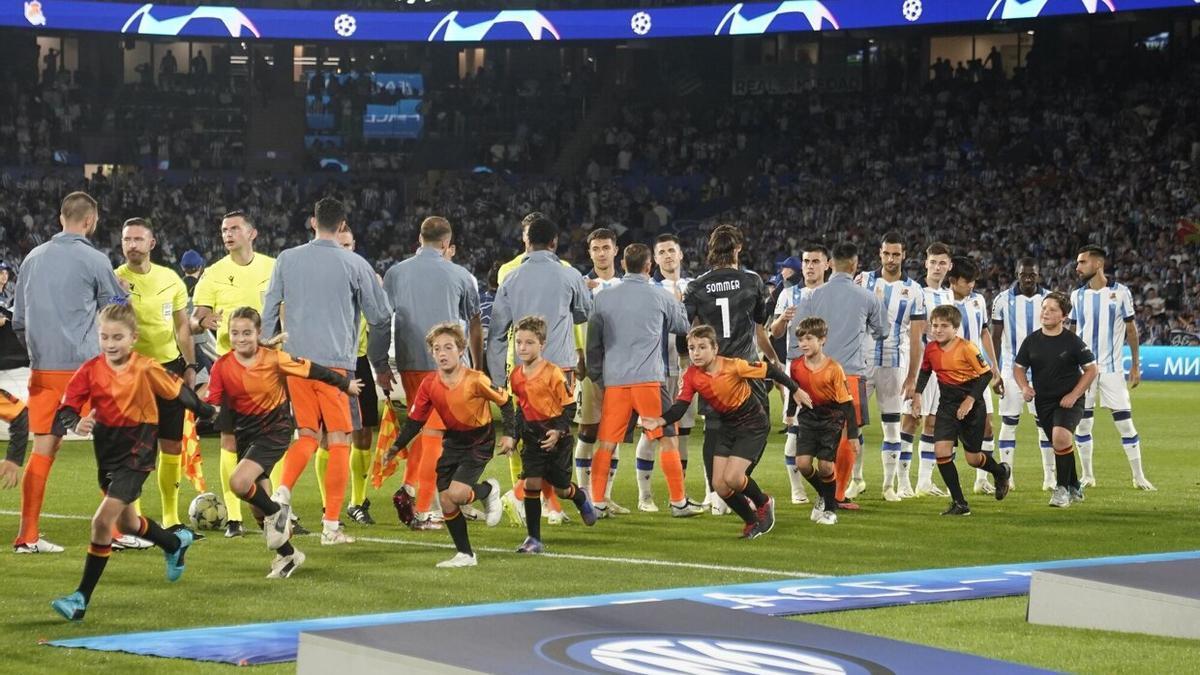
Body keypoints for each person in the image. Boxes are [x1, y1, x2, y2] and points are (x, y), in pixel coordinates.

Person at [50, 303, 215, 621]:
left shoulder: (146, 367)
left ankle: (80, 598)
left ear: (133, 337)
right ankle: (173, 543)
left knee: (101, 522)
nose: (110, 344)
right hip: (107, 455)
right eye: (104, 337)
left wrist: (209, 411)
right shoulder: (90, 369)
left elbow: (180, 393)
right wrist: (75, 422)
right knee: (126, 523)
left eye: (118, 337)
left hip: (137, 453)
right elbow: (67, 407)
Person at [262, 197, 392, 546]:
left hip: (296, 363)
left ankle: (284, 490)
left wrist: (264, 347)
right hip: (336, 365)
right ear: (343, 225)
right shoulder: (354, 263)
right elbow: (380, 316)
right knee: (339, 440)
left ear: (312, 221)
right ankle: (331, 526)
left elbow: (270, 305)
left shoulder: (287, 259)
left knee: (306, 434)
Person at [207, 307, 363, 578]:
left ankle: (278, 511)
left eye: (247, 333)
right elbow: (213, 403)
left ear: (258, 334)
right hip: (247, 436)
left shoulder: (274, 359)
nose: (241, 338)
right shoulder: (222, 366)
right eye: (235, 333)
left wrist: (344, 384)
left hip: (273, 432)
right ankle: (289, 555)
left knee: (239, 483)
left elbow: (314, 370)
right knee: (258, 509)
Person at [11, 191, 124, 554]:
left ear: (62, 218)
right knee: (111, 447)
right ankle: (118, 533)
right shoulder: (94, 259)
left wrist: (39, 351)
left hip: (43, 367)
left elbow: (19, 321)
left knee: (43, 449)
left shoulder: (31, 258)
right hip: (85, 369)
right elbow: (115, 314)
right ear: (90, 221)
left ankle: (27, 536)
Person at [372, 216, 482, 530]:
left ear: (419, 239)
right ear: (447, 244)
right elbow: (474, 322)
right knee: (435, 436)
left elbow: (381, 321)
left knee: (424, 432)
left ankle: (408, 490)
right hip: (445, 367)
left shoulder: (395, 273)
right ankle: (423, 510)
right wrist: (479, 363)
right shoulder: (460, 274)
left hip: (409, 363)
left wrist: (380, 363)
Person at [643, 325, 802, 538]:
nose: (696, 353)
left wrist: (796, 389)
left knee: (734, 478)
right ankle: (751, 521)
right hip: (728, 425)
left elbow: (770, 370)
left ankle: (764, 502)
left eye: (702, 347)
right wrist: (660, 421)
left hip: (752, 424)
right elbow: (681, 405)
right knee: (719, 485)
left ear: (715, 348)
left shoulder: (734, 366)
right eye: (691, 348)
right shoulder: (691, 375)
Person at [382, 323, 515, 568]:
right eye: (436, 348)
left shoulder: (476, 380)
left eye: (448, 347)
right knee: (446, 502)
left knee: (457, 494)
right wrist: (395, 447)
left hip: (479, 441)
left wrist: (510, 435)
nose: (442, 353)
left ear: (461, 349)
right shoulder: (429, 385)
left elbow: (506, 403)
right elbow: (415, 421)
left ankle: (488, 489)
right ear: (431, 353)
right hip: (453, 441)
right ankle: (466, 555)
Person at [488, 214, 591, 525]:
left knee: (530, 435)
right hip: (559, 368)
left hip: (523, 369)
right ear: (555, 243)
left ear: (526, 241)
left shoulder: (511, 276)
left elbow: (496, 332)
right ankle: (531, 496)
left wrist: (495, 380)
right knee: (556, 435)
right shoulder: (569, 275)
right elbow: (584, 312)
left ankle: (540, 500)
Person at [588, 243, 699, 519]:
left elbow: (593, 345)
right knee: (667, 439)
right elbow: (683, 327)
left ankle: (598, 502)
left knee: (606, 443)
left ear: (623, 265)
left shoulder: (602, 298)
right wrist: (679, 301)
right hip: (649, 379)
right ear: (649, 266)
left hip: (615, 381)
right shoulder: (661, 296)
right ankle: (678, 501)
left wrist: (600, 378)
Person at [191, 211, 276, 538]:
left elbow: (285, 309)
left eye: (234, 228)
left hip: (267, 367)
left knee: (272, 439)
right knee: (230, 440)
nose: (228, 234)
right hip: (231, 370)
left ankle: (276, 506)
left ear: (251, 233)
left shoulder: (272, 267)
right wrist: (203, 322)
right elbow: (198, 316)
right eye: (224, 229)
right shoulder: (213, 273)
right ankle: (235, 517)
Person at [685, 225, 779, 514]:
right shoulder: (752, 281)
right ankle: (739, 483)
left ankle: (716, 495)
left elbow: (689, 331)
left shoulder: (696, 286)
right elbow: (759, 329)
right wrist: (773, 360)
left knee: (714, 432)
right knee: (755, 429)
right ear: (738, 248)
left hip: (713, 370)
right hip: (745, 369)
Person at [115, 218, 197, 533]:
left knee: (172, 445)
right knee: (133, 448)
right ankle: (132, 521)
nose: (132, 244)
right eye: (127, 239)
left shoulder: (170, 279)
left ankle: (171, 519)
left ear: (152, 243)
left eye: (138, 239)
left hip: (169, 369)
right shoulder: (114, 279)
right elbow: (108, 326)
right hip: (131, 371)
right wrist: (118, 297)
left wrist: (190, 365)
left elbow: (181, 326)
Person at [794, 242, 884, 509]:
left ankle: (824, 490)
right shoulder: (868, 297)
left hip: (815, 374)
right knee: (845, 435)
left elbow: (795, 335)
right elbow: (882, 331)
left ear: (830, 263)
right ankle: (838, 494)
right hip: (850, 375)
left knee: (814, 430)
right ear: (855, 265)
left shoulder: (811, 296)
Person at [508, 315, 598, 553]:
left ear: (542, 345)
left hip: (558, 440)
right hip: (532, 438)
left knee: (560, 488)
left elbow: (568, 407)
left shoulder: (553, 373)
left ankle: (578, 496)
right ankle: (533, 539)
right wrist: (513, 437)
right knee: (532, 483)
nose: (523, 348)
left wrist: (558, 432)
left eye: (529, 342)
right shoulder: (515, 376)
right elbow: (520, 410)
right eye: (519, 342)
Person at [912, 305, 1012, 516]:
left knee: (973, 459)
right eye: (935, 325)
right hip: (947, 407)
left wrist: (969, 401)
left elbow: (985, 375)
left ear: (956, 328)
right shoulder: (930, 349)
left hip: (973, 408)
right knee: (941, 452)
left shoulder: (968, 348)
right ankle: (960, 503)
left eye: (944, 326)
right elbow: (925, 372)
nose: (938, 330)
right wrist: (918, 395)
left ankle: (1000, 471)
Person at [1069, 246, 1154, 490]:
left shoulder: (1121, 292)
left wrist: (1135, 365)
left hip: (1113, 369)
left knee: (1125, 423)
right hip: (1085, 371)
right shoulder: (1077, 295)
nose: (1078, 267)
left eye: (1082, 262)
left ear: (1097, 264)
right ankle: (1088, 476)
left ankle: (1138, 476)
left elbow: (1131, 330)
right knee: (1083, 424)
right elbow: (1073, 333)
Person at [1012, 292, 1099, 508]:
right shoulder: (1031, 340)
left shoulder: (1072, 341)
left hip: (1070, 400)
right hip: (1043, 401)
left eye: (1052, 310)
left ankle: (1061, 490)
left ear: (1064, 316)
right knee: (1060, 443)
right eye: (1044, 308)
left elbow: (1091, 369)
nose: (1046, 313)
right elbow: (1018, 368)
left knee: (1060, 437)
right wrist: (1025, 386)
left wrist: (1074, 394)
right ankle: (1074, 484)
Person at [857, 232, 925, 503]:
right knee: (854, 426)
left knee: (892, 427)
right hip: (861, 364)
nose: (891, 259)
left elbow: (917, 337)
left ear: (904, 255)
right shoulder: (863, 280)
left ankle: (888, 485)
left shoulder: (914, 290)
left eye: (896, 254)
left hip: (894, 365)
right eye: (887, 253)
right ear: (880, 253)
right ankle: (856, 480)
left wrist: (912, 379)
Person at [634, 234, 694, 512]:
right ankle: (645, 496)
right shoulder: (649, 289)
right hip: (656, 371)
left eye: (672, 250)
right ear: (654, 260)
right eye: (662, 252)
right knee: (652, 431)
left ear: (681, 255)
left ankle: (680, 491)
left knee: (682, 434)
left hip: (686, 371)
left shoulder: (693, 287)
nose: (668, 256)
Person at [574, 228, 629, 514]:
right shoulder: (582, 285)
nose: (601, 253)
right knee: (588, 429)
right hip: (589, 369)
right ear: (590, 252)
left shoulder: (625, 286)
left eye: (606, 247)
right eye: (596, 248)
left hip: (620, 370)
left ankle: (604, 496)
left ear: (616, 250)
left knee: (613, 432)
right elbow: (573, 322)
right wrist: (578, 354)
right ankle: (585, 497)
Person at [770, 243, 830, 504]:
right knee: (794, 429)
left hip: (826, 371)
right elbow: (774, 332)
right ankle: (797, 489)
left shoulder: (833, 294)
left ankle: (833, 487)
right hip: (796, 371)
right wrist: (782, 319)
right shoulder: (788, 293)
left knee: (830, 432)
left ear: (827, 265)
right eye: (806, 261)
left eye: (815, 261)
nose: (810, 266)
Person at [786, 317, 861, 526]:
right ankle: (824, 494)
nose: (804, 344)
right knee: (802, 464)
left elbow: (847, 404)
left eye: (809, 339)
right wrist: (791, 413)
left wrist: (853, 435)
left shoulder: (834, 368)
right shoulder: (796, 366)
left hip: (831, 419)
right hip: (808, 418)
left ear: (822, 340)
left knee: (826, 466)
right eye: (800, 339)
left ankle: (829, 510)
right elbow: (795, 390)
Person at [991, 258, 1056, 490]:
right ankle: (1007, 476)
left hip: (1043, 372)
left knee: (1045, 424)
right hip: (1011, 370)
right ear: (1017, 274)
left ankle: (1049, 477)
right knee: (1009, 423)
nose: (1028, 278)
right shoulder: (1002, 300)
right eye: (1023, 274)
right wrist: (995, 371)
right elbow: (995, 338)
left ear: (1039, 275)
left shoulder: (1050, 299)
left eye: (1032, 274)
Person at [335, 228, 383, 525]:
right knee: (331, 436)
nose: (344, 249)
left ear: (354, 246)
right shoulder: (324, 281)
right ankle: (332, 505)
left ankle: (356, 501)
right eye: (339, 245)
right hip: (330, 363)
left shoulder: (369, 278)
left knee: (364, 432)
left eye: (348, 244)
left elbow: (379, 320)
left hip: (360, 360)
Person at [946, 257, 1004, 495]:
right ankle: (947, 484)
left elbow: (984, 333)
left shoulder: (978, 300)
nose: (971, 285)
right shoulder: (943, 301)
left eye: (973, 281)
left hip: (978, 373)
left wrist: (995, 367)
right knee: (949, 431)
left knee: (988, 427)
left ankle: (982, 480)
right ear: (952, 281)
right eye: (966, 281)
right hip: (951, 376)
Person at [909, 242, 956, 498]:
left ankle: (924, 482)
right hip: (918, 365)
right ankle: (901, 481)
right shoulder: (916, 291)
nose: (937, 267)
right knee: (910, 419)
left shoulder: (949, 295)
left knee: (933, 421)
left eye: (942, 263)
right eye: (933, 262)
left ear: (949, 266)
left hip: (941, 368)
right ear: (926, 263)